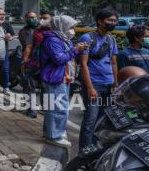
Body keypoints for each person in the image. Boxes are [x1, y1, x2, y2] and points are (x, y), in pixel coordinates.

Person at [40, 15, 88, 148]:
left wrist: (78, 49)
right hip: (55, 77)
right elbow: (59, 59)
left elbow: (69, 56)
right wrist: (75, 49)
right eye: (71, 27)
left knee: (54, 107)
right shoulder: (53, 40)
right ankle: (53, 136)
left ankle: (50, 132)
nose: (73, 29)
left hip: (63, 77)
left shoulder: (63, 38)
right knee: (59, 108)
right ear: (62, 26)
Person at [77, 8, 119, 151]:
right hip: (93, 84)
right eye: (110, 20)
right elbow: (83, 64)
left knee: (102, 120)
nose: (113, 23)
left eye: (114, 21)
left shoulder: (112, 40)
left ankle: (95, 148)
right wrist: (90, 87)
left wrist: (115, 83)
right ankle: (84, 151)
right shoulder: (87, 38)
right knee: (90, 119)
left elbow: (113, 63)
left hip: (108, 85)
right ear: (100, 21)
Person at [19, 12, 39, 118]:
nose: (32, 19)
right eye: (30, 17)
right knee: (28, 84)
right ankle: (31, 109)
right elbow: (27, 47)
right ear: (26, 18)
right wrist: (24, 61)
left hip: (42, 61)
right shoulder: (23, 31)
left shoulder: (42, 29)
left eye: (34, 17)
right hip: (31, 60)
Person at [1, 13, 14, 94]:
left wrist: (9, 37)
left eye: (3, 14)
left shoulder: (7, 24)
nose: (2, 16)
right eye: (0, 14)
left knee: (5, 69)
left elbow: (12, 35)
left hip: (4, 51)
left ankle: (6, 87)